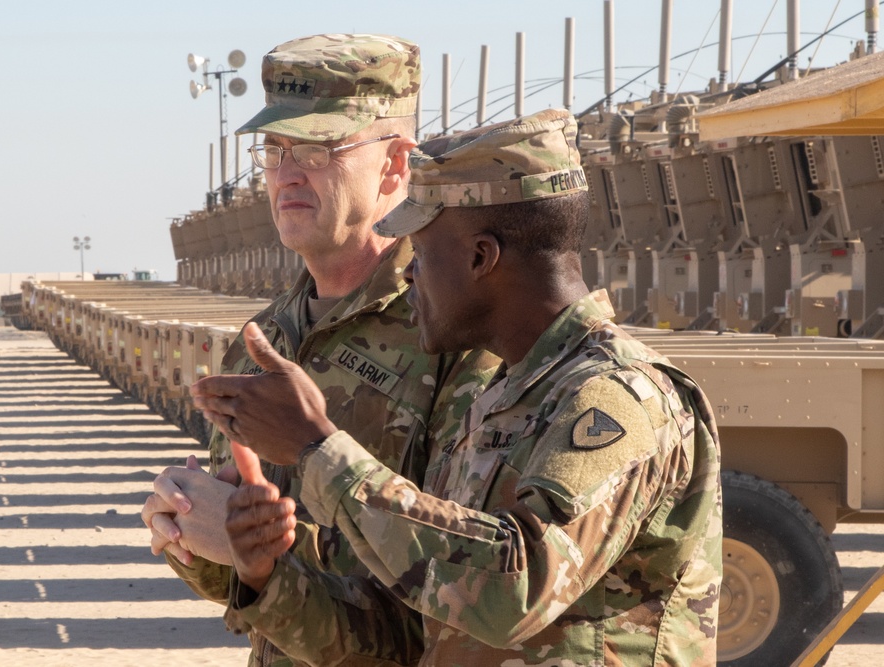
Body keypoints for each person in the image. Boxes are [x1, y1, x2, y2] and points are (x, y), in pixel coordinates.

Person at [201, 108, 724, 666]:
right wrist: (263, 568)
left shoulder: (616, 397)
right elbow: (414, 636)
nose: (407, 275)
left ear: (481, 257)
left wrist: (320, 449)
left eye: (421, 254)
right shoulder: (500, 400)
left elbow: (514, 591)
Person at [140, 33, 498, 666]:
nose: (287, 174)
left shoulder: (456, 334)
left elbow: (471, 595)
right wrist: (191, 531)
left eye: (319, 149)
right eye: (274, 150)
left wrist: (265, 555)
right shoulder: (266, 337)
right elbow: (251, 587)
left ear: (396, 165)